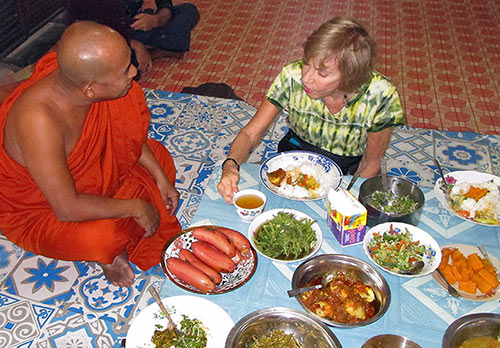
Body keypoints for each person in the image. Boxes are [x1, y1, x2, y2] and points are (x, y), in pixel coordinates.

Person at [0, 21, 181, 287]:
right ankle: (104, 253)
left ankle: (121, 219)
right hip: (42, 209)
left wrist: (160, 177)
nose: (134, 71)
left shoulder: (83, 83)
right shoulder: (38, 121)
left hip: (94, 183)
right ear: (89, 89)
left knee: (159, 157)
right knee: (105, 238)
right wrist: (136, 207)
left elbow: (125, 135)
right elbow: (66, 208)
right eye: (124, 72)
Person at [217, 16, 405, 203]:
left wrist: (343, 201)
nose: (306, 78)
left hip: (350, 166)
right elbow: (250, 134)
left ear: (350, 77)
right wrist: (230, 165)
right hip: (295, 153)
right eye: (306, 63)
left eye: (322, 73)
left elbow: (370, 162)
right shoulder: (291, 76)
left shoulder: (381, 94)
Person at [65, 0, 200, 74]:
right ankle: (155, 52)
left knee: (188, 10)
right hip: (100, 37)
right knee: (117, 69)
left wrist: (157, 19)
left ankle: (146, 51)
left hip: (134, 25)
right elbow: (96, 29)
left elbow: (165, 4)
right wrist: (134, 44)